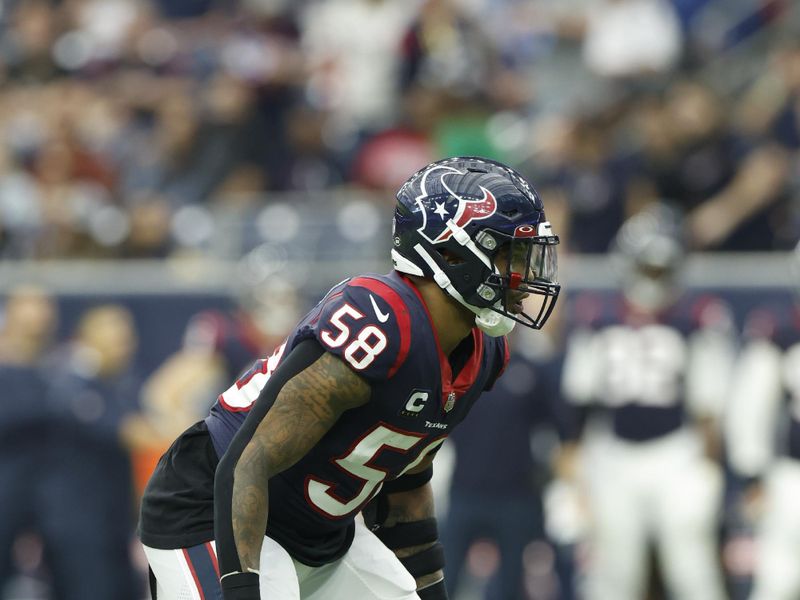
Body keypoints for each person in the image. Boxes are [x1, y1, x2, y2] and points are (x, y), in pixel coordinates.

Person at [138, 156, 561, 600]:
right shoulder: (378, 322)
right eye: (507, 254)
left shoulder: (483, 351)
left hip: (321, 535)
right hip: (212, 510)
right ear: (451, 252)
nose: (522, 276)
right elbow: (248, 462)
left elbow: (407, 483)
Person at [554, 203, 734, 600]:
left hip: (677, 452)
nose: (655, 279)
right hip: (614, 454)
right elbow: (578, 399)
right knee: (615, 571)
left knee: (691, 565)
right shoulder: (598, 317)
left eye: (662, 269)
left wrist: (710, 462)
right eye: (650, 268)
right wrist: (571, 463)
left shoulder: (697, 318)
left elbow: (709, 404)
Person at [43, 304, 143, 600]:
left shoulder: (119, 385)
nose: (125, 348)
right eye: (116, 341)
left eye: (128, 340)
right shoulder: (68, 384)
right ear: (87, 340)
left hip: (113, 526)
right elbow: (131, 432)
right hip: (78, 531)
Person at [725, 242, 800, 600]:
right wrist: (753, 473)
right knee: (778, 582)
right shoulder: (781, 333)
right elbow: (749, 408)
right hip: (792, 478)